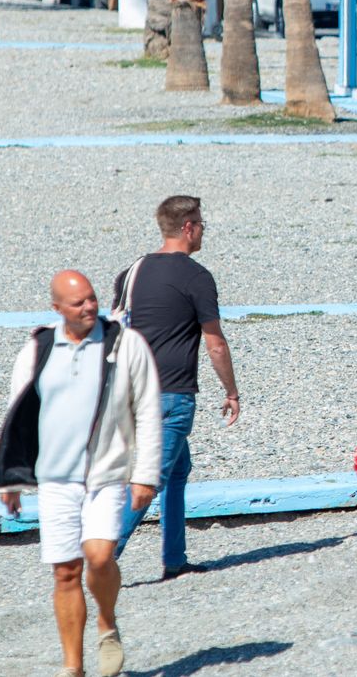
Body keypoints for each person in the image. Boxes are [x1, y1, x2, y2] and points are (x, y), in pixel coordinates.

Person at [0, 271, 162, 677]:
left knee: (99, 557)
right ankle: (74, 667)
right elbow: (19, 415)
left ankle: (107, 620)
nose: (89, 307)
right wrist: (11, 480)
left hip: (106, 474)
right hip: (55, 478)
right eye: (77, 303)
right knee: (65, 570)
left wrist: (146, 474)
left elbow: (149, 410)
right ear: (56, 309)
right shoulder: (38, 348)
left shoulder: (125, 344)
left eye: (92, 298)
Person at [112, 195, 241, 578]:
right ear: (188, 227)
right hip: (169, 394)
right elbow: (214, 343)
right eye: (201, 223)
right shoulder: (197, 277)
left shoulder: (130, 272)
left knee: (178, 470)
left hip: (129, 390)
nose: (203, 230)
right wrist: (232, 392)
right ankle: (99, 562)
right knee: (149, 481)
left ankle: (174, 558)